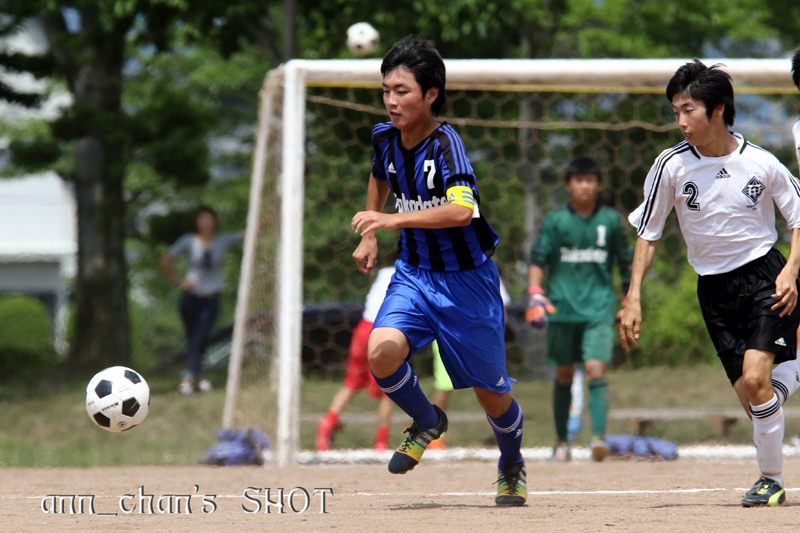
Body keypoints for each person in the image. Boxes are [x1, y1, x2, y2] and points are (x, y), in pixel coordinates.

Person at [351, 37, 526, 506]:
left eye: (402, 90)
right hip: (414, 274)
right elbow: (380, 173)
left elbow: (460, 212)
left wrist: (390, 220)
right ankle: (427, 420)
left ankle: (511, 463)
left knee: (492, 397)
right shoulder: (385, 137)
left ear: (430, 94)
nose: (391, 100)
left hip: (467, 283)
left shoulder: (447, 144)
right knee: (381, 352)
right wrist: (370, 231)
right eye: (386, 89)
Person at [621, 60, 800, 507]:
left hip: (765, 278)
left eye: (688, 110)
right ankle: (795, 370)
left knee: (759, 384)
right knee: (755, 399)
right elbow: (649, 231)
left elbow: (798, 217)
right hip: (713, 292)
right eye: (675, 111)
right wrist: (634, 297)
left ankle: (771, 479)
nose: (680, 122)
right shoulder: (671, 166)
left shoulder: (761, 162)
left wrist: (792, 271)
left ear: (717, 109)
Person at [527, 157, 632, 463]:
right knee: (562, 374)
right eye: (579, 180)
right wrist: (535, 294)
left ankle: (598, 438)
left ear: (599, 185)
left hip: (599, 309)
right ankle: (561, 443)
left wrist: (629, 301)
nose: (585, 185)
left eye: (591, 180)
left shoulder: (612, 221)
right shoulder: (556, 220)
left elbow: (626, 265)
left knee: (596, 368)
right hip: (560, 309)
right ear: (568, 185)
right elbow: (538, 258)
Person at [161, 206, 243, 396]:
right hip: (191, 298)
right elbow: (166, 258)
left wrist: (273, 214)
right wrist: (178, 281)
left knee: (201, 337)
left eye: (209, 218)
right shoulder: (189, 241)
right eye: (202, 219)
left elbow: (247, 233)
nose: (206, 222)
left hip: (211, 298)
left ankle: (188, 378)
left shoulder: (222, 240)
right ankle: (200, 377)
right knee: (194, 339)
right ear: (197, 222)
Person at [316, 266, 396, 451]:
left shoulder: (385, 272)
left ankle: (327, 423)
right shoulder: (413, 274)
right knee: (390, 388)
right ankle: (381, 441)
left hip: (364, 328)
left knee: (352, 383)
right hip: (385, 331)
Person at [428, 278, 511, 451]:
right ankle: (434, 437)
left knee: (493, 387)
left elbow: (501, 308)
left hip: (481, 338)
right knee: (444, 386)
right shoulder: (443, 271)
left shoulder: (488, 271)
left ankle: (502, 435)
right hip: (448, 335)